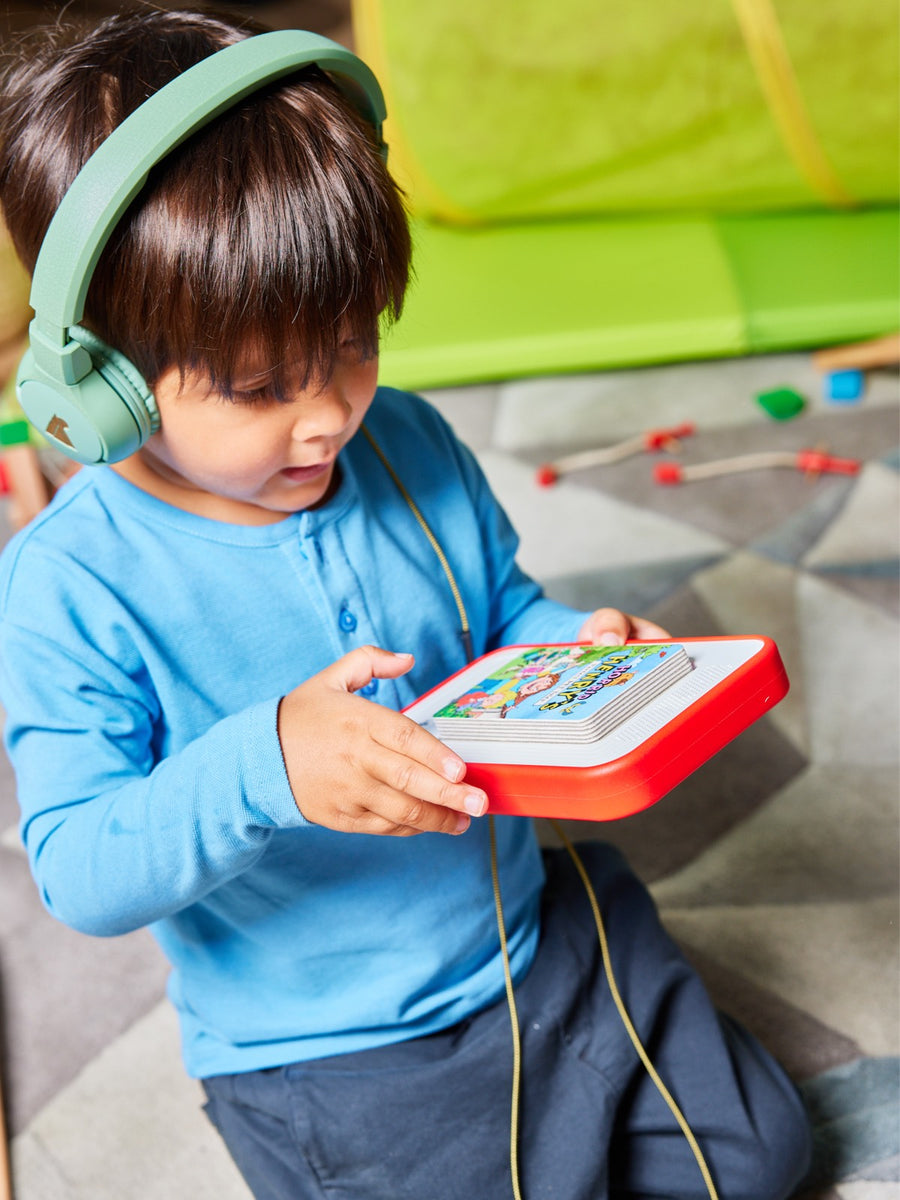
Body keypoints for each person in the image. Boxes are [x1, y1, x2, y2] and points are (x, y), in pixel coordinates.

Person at [0, 9, 812, 1199]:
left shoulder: (412, 442)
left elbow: (502, 616)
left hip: (530, 936)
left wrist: (574, 653)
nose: (329, 414)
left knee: (765, 1155)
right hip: (333, 1049)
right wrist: (266, 764)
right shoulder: (72, 583)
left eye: (352, 343)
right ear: (104, 385)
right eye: (260, 386)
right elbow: (79, 866)